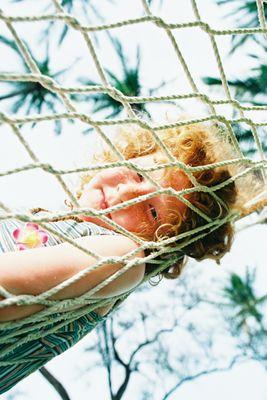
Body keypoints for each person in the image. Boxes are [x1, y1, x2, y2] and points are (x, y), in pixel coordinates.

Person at [0, 118, 255, 393]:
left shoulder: (121, 256)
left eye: (152, 211)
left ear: (159, 244)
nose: (125, 193)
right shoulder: (53, 221)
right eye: (139, 174)